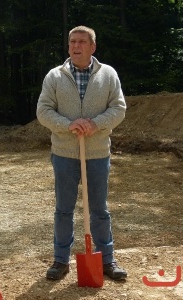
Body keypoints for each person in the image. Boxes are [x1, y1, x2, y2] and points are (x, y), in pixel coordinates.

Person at [36, 26, 127, 281]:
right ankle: (61, 260)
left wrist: (95, 123)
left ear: (92, 47)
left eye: (82, 42)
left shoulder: (108, 75)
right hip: (64, 153)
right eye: (72, 42)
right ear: (68, 47)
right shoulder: (55, 76)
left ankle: (107, 260)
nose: (76, 46)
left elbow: (119, 109)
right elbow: (43, 111)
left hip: (97, 153)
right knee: (64, 209)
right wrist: (69, 125)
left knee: (99, 209)